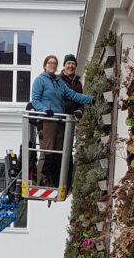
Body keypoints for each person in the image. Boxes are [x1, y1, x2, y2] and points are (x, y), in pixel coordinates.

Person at [31, 55, 93, 184]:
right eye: (50, 63)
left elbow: (72, 95)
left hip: (60, 119)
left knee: (58, 151)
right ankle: (42, 180)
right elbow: (35, 101)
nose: (52, 65)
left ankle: (53, 180)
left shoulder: (59, 82)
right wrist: (44, 110)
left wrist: (90, 99)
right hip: (48, 120)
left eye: (55, 63)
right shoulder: (40, 80)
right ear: (45, 65)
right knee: (48, 151)